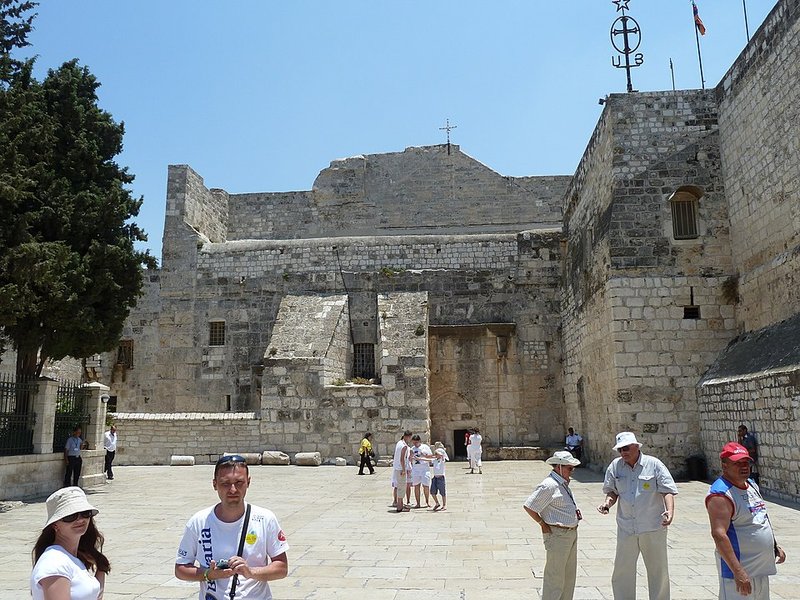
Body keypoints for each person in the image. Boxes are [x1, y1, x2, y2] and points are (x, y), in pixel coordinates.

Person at [175, 454, 289, 600]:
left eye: (239, 482)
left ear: (248, 482)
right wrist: (208, 574)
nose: (233, 489)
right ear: (214, 484)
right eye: (225, 483)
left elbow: (282, 568)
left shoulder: (265, 519)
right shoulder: (199, 521)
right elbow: (180, 568)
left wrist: (250, 572)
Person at [597, 431, 678, 600]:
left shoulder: (654, 464)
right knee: (622, 570)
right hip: (627, 527)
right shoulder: (615, 466)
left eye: (626, 448)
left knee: (658, 570)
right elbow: (612, 491)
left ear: (636, 446)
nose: (623, 453)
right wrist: (607, 504)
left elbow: (667, 490)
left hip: (652, 526)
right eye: (620, 450)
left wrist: (670, 511)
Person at [706, 442, 786, 599]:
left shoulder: (751, 485)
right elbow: (719, 535)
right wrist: (738, 572)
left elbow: (760, 518)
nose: (744, 467)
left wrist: (775, 546)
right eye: (737, 463)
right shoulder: (720, 494)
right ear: (724, 465)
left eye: (746, 462)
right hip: (740, 570)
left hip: (761, 568)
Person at [30, 486, 110, 600]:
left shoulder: (70, 558)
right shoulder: (54, 563)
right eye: (70, 516)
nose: (80, 520)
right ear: (55, 525)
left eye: (85, 513)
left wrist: (101, 568)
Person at [524, 450, 582, 600]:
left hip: (570, 533)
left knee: (569, 576)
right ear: (559, 467)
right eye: (570, 468)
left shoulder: (561, 483)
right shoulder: (549, 485)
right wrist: (542, 524)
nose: (572, 471)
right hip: (558, 535)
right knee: (555, 576)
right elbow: (529, 506)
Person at [410, 434, 433, 508]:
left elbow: (431, 457)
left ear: (419, 441)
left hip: (424, 469)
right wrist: (411, 457)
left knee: (426, 486)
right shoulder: (412, 449)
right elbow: (409, 459)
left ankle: (427, 502)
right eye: (413, 443)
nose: (415, 444)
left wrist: (424, 455)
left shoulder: (425, 447)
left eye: (416, 442)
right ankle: (418, 503)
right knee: (416, 486)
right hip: (416, 469)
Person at [392, 430, 412, 512]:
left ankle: (400, 504)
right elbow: (402, 459)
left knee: (399, 486)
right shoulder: (404, 446)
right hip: (401, 469)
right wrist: (404, 470)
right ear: (408, 436)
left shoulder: (399, 443)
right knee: (402, 487)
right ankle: (399, 507)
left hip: (397, 468)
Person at [431, 442, 449, 511]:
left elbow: (443, 455)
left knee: (442, 492)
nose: (435, 455)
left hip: (441, 478)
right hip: (435, 478)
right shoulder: (435, 460)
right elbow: (428, 459)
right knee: (432, 492)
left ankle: (444, 505)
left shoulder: (442, 460)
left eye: (437, 454)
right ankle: (437, 503)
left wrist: (441, 448)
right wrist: (419, 458)